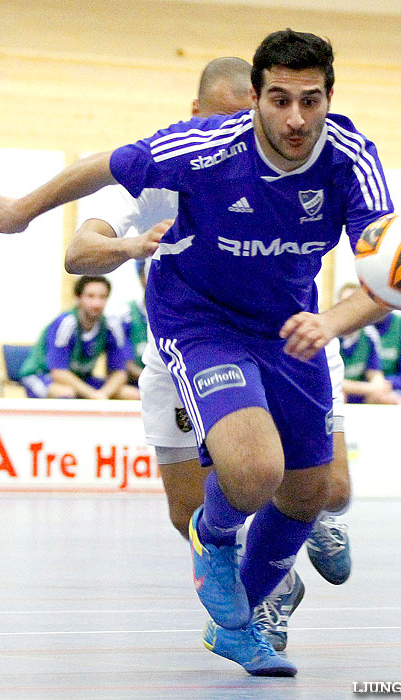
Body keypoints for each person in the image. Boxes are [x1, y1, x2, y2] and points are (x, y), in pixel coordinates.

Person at [0, 29, 393, 676]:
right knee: (247, 476)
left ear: (328, 99)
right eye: (276, 100)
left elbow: (388, 280)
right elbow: (91, 207)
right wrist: (31, 214)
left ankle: (242, 621)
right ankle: (219, 539)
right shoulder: (183, 156)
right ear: (247, 102)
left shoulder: (349, 156)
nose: (293, 118)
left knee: (314, 491)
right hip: (197, 326)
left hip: (291, 326)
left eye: (309, 101)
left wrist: (336, 320)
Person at [66, 57, 355, 651]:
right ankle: (273, 591)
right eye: (227, 120)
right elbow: (78, 251)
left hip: (287, 339)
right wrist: (127, 246)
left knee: (330, 488)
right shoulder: (167, 171)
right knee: (190, 514)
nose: (243, 139)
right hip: (188, 351)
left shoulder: (301, 159)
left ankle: (306, 529)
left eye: (249, 119)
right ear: (194, 116)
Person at [19, 275, 136, 400]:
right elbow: (58, 373)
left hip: (80, 379)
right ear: (78, 298)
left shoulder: (110, 326)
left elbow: (120, 373)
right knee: (66, 393)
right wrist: (93, 395)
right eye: (90, 296)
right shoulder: (66, 323)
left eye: (102, 297)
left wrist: (104, 394)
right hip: (41, 375)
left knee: (131, 394)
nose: (96, 303)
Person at [336, 283, 398, 404]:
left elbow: (375, 375)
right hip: (338, 394)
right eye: (345, 304)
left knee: (389, 398)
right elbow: (330, 382)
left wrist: (379, 387)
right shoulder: (331, 337)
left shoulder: (369, 334)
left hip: (360, 396)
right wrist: (368, 388)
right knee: (340, 395)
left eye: (354, 305)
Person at [121, 260, 149, 387]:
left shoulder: (179, 314)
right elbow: (124, 363)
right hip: (135, 383)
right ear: (140, 277)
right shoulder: (127, 316)